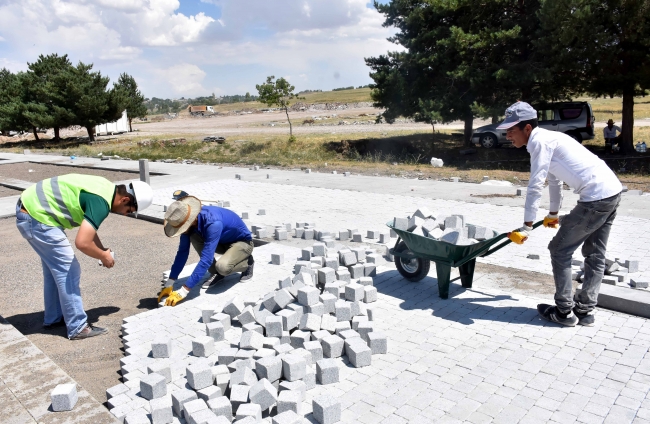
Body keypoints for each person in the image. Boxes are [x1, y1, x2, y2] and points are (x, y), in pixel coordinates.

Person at [499, 102, 622, 327]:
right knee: (595, 254)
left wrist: (526, 226)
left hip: (595, 198)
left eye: (511, 130)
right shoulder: (549, 138)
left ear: (527, 128)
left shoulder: (539, 142)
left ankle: (564, 312)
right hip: (611, 192)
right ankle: (585, 311)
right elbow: (554, 178)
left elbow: (536, 185)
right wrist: (553, 212)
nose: (507, 135)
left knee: (559, 249)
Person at [16, 174, 153, 339]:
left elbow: (88, 227)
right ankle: (77, 327)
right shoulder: (101, 203)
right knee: (69, 270)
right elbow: (82, 242)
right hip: (38, 217)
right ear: (124, 200)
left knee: (54, 271)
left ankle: (53, 318)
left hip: (31, 209)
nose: (125, 215)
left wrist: (102, 249)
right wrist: (103, 256)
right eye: (128, 211)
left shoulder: (105, 187)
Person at [158, 196, 254, 306]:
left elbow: (206, 259)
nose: (182, 231)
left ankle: (248, 262)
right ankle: (216, 273)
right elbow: (182, 253)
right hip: (221, 241)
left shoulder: (213, 223)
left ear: (191, 220)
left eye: (183, 228)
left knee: (222, 267)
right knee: (194, 237)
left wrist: (184, 290)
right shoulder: (189, 225)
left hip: (242, 243)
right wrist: (170, 283)